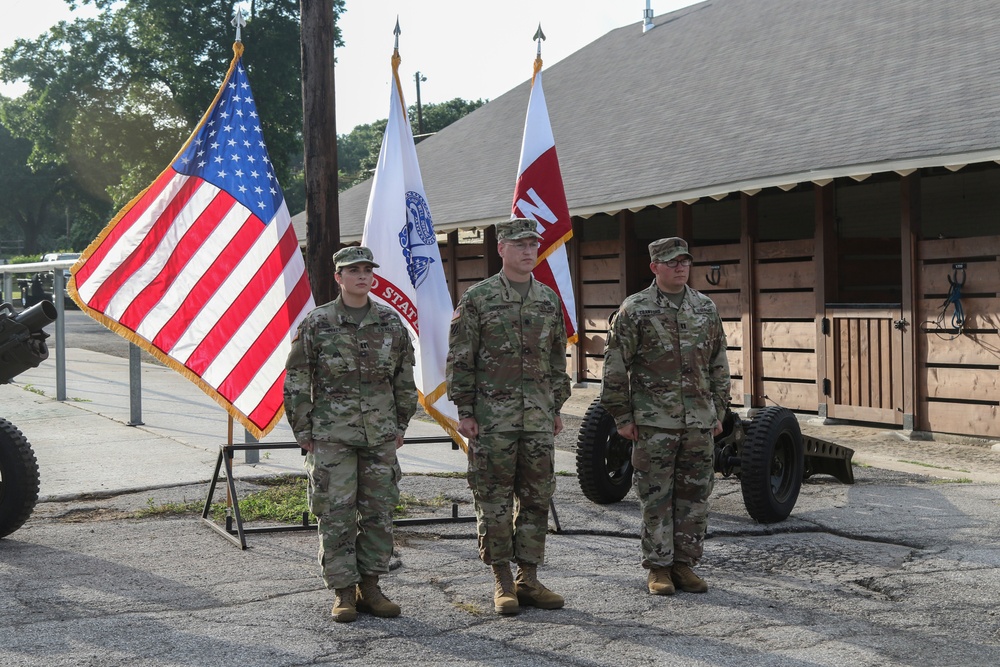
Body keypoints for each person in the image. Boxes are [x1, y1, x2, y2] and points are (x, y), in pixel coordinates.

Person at [284, 246, 417, 623]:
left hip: (380, 436)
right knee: (336, 514)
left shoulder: (391, 323)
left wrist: (401, 425)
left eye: (366, 270)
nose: (362, 276)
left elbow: (404, 379)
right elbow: (296, 379)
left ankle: (371, 587)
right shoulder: (317, 323)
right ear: (338, 277)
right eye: (352, 270)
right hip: (331, 436)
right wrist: (303, 430)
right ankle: (344, 592)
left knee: (378, 514)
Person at [446, 217, 572, 615]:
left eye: (533, 244)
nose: (528, 251)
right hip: (492, 420)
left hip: (536, 417)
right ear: (501, 249)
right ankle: (502, 579)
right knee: (494, 500)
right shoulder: (478, 298)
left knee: (537, 499)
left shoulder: (548, 299)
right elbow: (460, 359)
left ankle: (529, 579)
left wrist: (554, 407)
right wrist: (465, 411)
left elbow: (556, 359)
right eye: (519, 244)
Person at [600, 237, 730, 596]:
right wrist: (622, 416)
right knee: (656, 496)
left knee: (695, 495)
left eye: (685, 261)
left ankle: (684, 564)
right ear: (655, 266)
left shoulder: (704, 307)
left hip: (699, 421)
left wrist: (719, 410)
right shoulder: (635, 309)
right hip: (654, 422)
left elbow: (719, 362)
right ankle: (658, 567)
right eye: (672, 262)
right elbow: (614, 366)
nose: (680, 267)